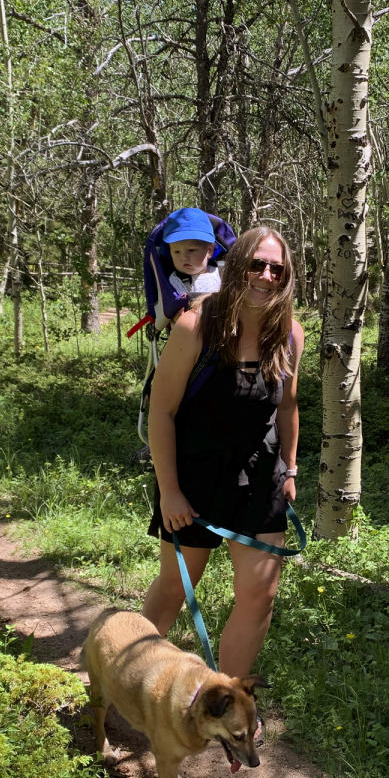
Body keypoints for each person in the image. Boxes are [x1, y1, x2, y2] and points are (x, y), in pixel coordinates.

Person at [141, 225, 305, 693]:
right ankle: (121, 683)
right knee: (174, 589)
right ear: (235, 268)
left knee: (260, 593)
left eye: (277, 267)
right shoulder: (196, 327)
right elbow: (162, 410)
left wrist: (290, 468)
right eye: (256, 264)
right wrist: (170, 489)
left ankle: (227, 699)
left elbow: (288, 406)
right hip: (194, 478)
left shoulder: (290, 334)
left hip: (261, 479)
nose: (266, 275)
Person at [162, 207, 223, 299]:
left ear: (209, 251)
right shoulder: (174, 281)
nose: (183, 257)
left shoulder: (221, 274)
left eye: (191, 250)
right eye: (177, 252)